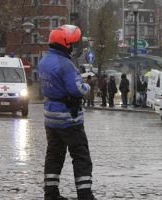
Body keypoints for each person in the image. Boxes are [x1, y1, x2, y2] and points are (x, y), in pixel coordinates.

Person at [38, 24, 97, 200]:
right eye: (73, 43)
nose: (74, 47)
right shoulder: (66, 64)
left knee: (54, 155)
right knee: (80, 156)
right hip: (69, 118)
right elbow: (77, 89)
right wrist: (87, 85)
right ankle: (85, 194)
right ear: (66, 44)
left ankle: (51, 193)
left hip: (51, 117)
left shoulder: (43, 61)